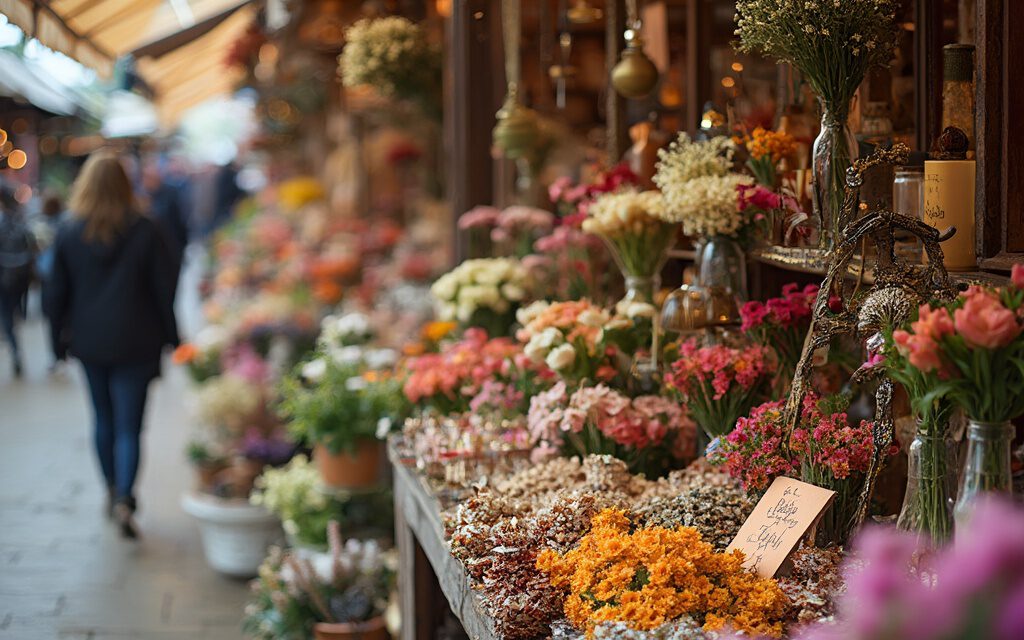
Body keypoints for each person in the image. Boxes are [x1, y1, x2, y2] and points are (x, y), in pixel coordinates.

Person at [47, 151, 180, 539]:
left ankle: (110, 488)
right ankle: (125, 495)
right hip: (138, 340)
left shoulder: (69, 230)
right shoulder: (146, 228)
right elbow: (165, 288)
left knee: (103, 419)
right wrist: (173, 337)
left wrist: (56, 344)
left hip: (90, 341)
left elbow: (54, 294)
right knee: (129, 426)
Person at [140, 158, 189, 294]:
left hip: (172, 248)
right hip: (154, 255)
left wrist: (182, 247)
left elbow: (180, 221)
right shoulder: (142, 197)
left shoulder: (170, 194)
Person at [0, 187, 34, 378]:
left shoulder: (4, 221)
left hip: (4, 276)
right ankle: (15, 348)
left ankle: (14, 348)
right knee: (10, 314)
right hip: (19, 276)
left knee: (6, 316)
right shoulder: (20, 219)